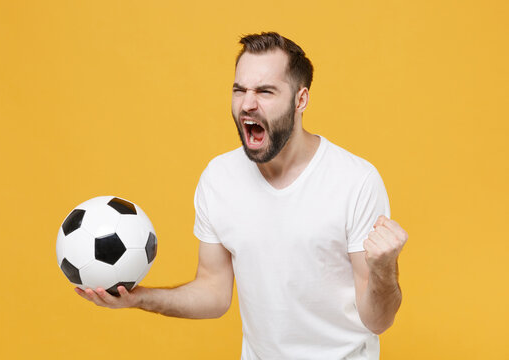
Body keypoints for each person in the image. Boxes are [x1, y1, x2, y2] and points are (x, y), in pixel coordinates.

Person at [75, 31, 409, 360]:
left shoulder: (355, 181)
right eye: (239, 90)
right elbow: (213, 293)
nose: (247, 104)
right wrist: (139, 298)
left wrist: (383, 268)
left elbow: (377, 321)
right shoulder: (219, 179)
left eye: (265, 91)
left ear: (300, 99)